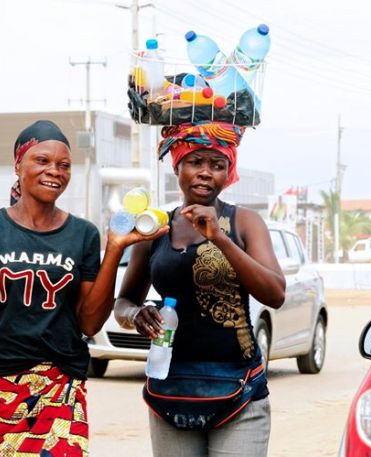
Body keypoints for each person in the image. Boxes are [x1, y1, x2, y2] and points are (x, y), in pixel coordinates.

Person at [0, 120, 166, 456]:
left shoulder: (83, 234)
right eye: (42, 160)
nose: (54, 171)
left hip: (62, 386)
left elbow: (89, 323)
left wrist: (115, 247)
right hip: (2, 382)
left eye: (64, 165)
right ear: (18, 165)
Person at [114, 121, 286, 457]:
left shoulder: (245, 223)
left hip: (239, 388)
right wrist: (136, 314)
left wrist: (219, 238)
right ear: (177, 166)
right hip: (171, 387)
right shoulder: (155, 229)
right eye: (196, 162)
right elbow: (123, 301)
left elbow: (275, 293)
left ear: (228, 172)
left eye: (217, 165)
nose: (206, 173)